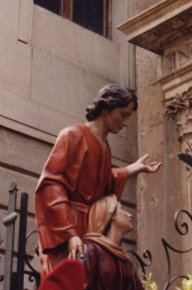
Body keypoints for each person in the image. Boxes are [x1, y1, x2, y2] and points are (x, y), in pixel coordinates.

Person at [35, 83, 161, 278]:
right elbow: (51, 185)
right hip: (69, 223)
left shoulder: (104, 147)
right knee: (67, 282)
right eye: (123, 114)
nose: (126, 123)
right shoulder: (73, 135)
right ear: (105, 108)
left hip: (91, 227)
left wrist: (132, 169)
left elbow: (103, 182)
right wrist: (70, 233)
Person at [81, 195, 150, 290]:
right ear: (110, 214)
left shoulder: (125, 261)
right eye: (122, 209)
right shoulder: (90, 249)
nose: (130, 215)